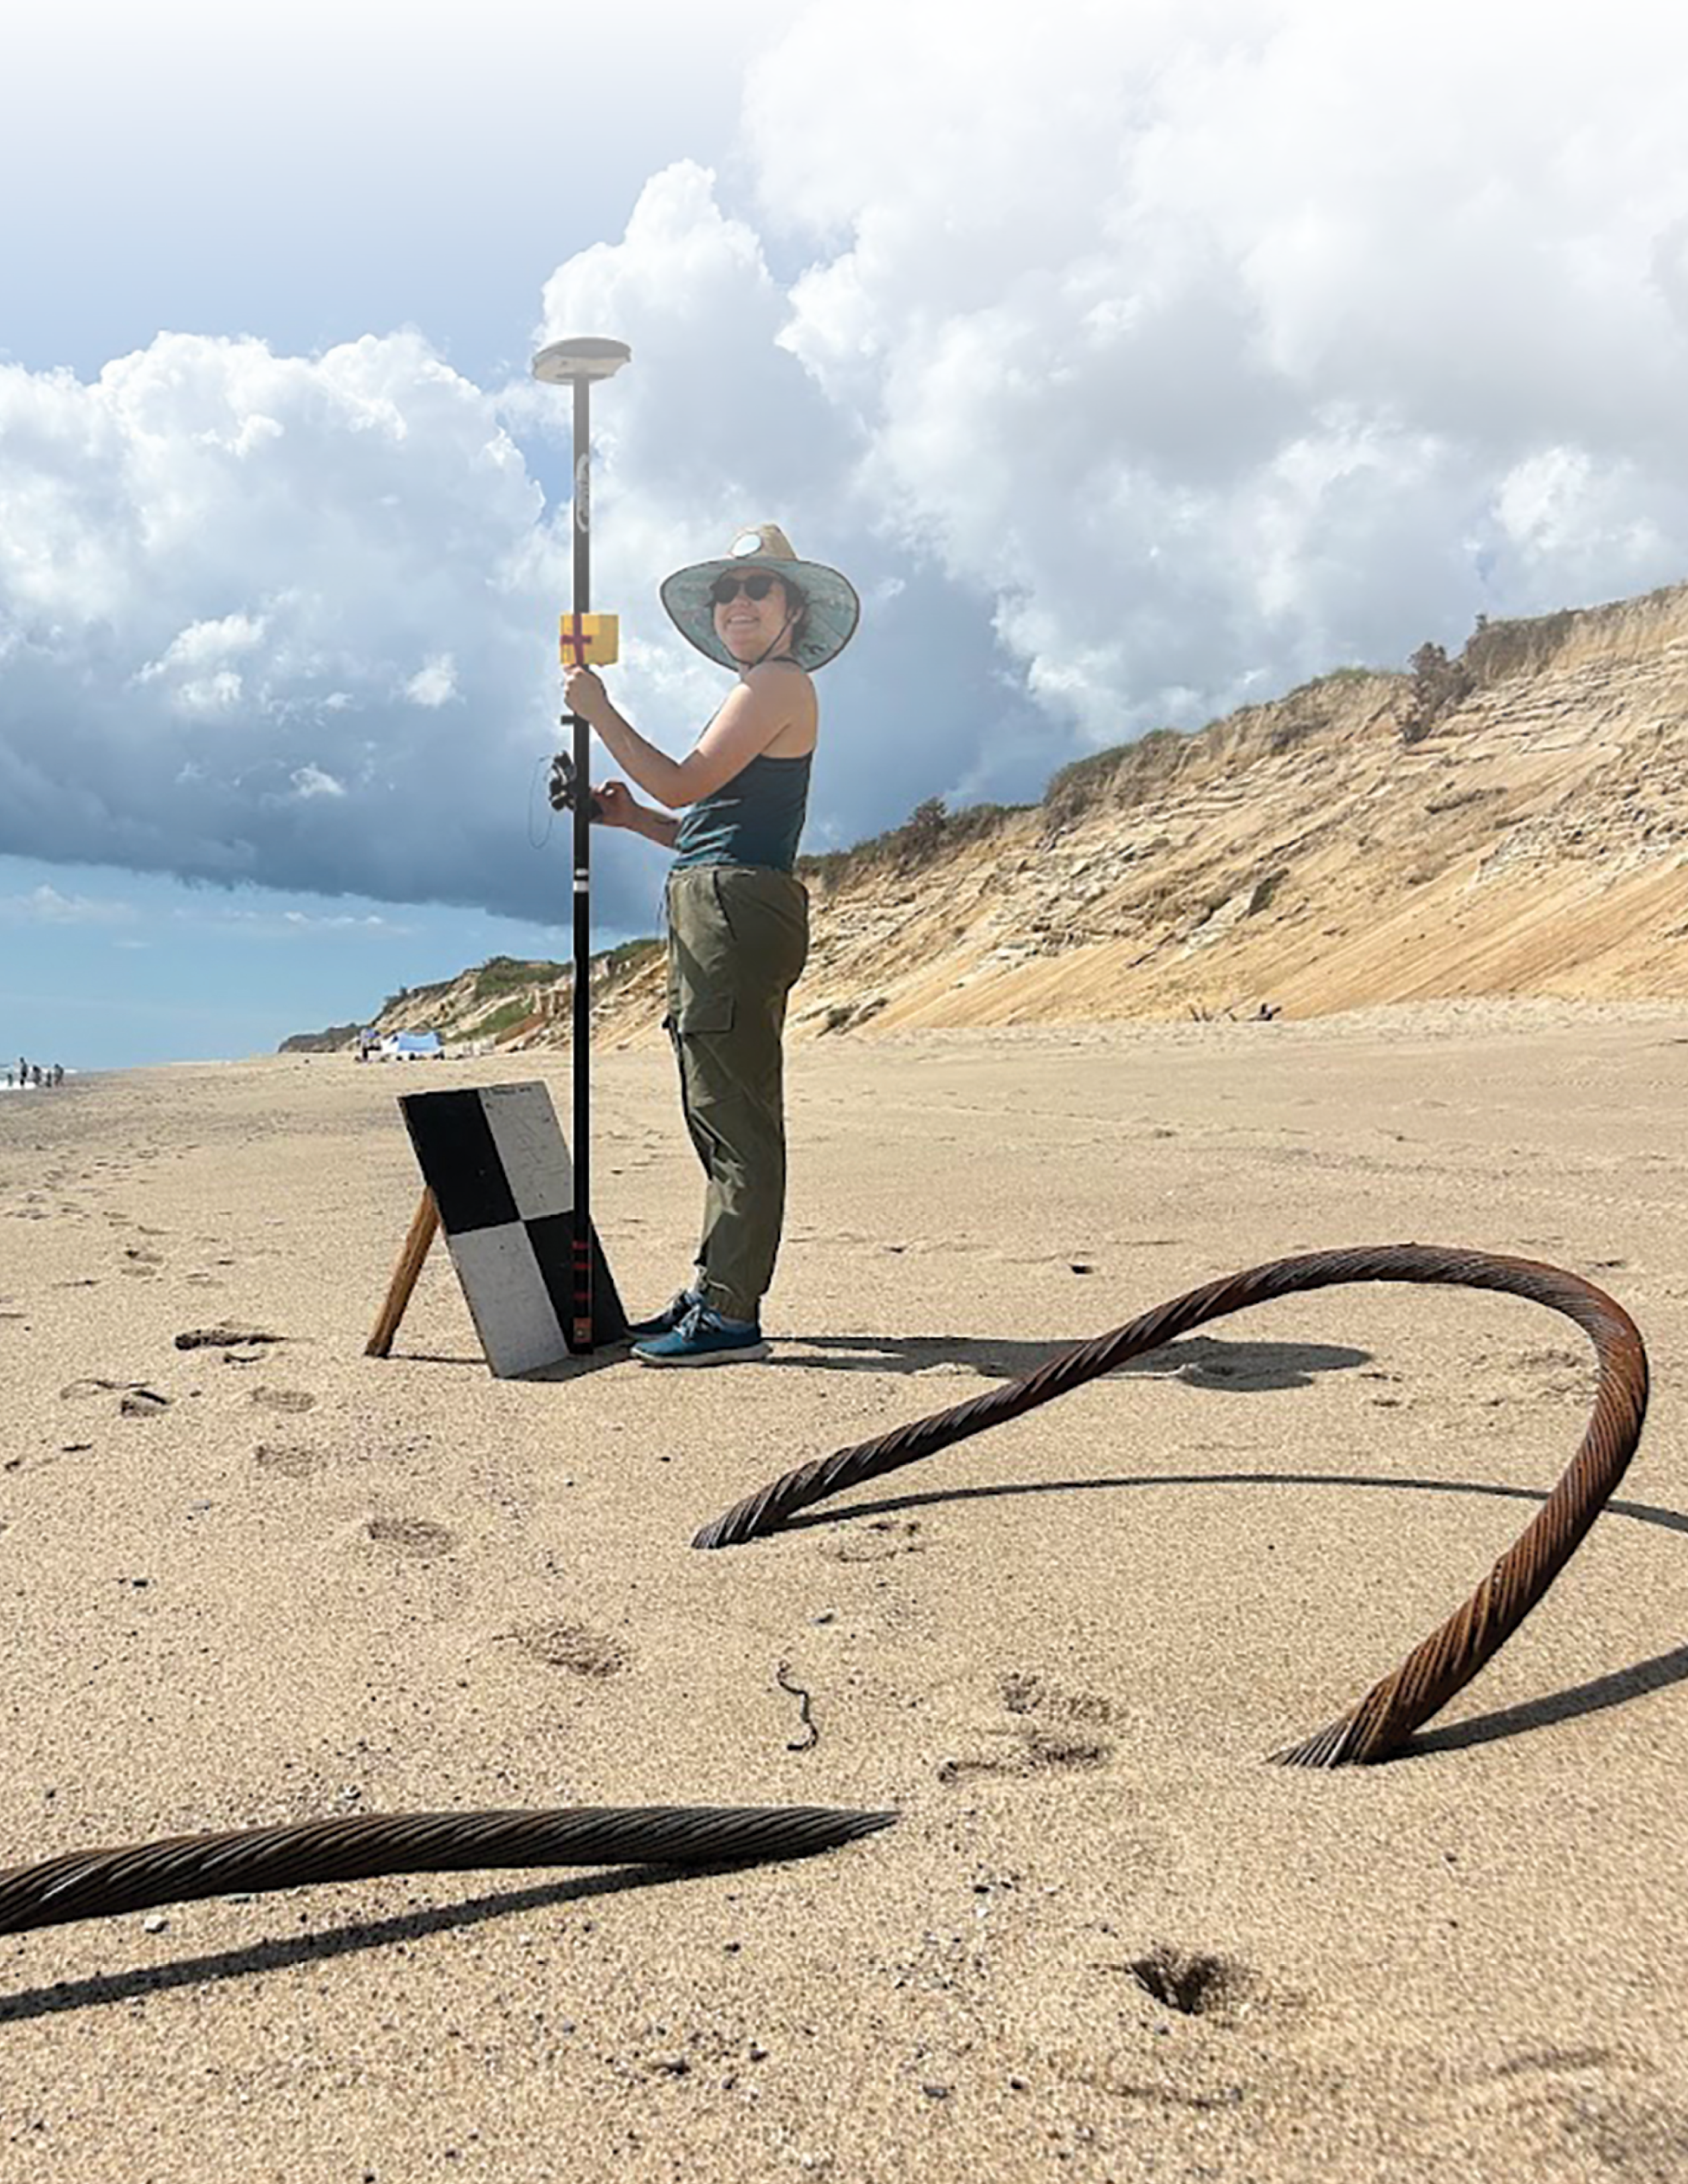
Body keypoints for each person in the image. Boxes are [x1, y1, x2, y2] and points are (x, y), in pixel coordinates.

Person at [563, 523, 860, 1367]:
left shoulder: (776, 682)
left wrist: (600, 710)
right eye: (727, 590)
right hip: (722, 900)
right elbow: (707, 825)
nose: (737, 602)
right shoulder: (765, 689)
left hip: (732, 914)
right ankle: (714, 1286)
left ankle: (731, 1313)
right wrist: (628, 819)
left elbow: (684, 781)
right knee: (717, 1108)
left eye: (756, 588)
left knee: (735, 1116)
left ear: (792, 608)